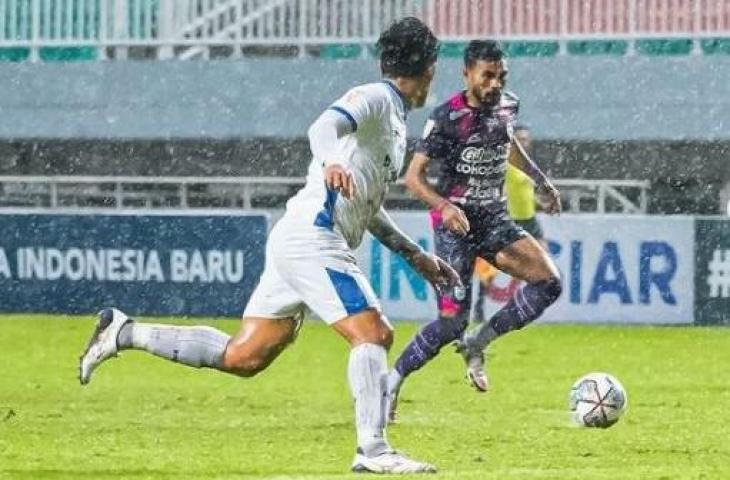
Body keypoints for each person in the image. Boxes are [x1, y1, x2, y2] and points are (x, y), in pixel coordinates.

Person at [78, 17, 458, 474]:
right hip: (313, 238)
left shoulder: (394, 120)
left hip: (302, 239)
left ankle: (123, 331)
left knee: (245, 356)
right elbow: (323, 126)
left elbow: (367, 202)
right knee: (373, 333)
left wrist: (413, 254)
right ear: (431, 68)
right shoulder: (376, 97)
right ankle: (372, 451)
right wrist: (334, 157)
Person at [387, 40, 562, 422]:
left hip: (494, 220)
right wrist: (445, 206)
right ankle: (392, 381)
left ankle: (479, 342)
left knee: (549, 283)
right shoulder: (447, 117)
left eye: (501, 75)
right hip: (455, 228)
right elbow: (413, 178)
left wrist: (539, 179)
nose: (495, 83)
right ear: (467, 74)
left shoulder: (508, 105)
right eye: (487, 75)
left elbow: (507, 142)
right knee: (451, 322)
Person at [472, 124, 548, 323]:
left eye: (526, 139)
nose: (523, 142)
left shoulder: (527, 164)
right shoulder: (503, 163)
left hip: (529, 218)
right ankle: (480, 305)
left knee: (543, 262)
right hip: (511, 218)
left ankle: (527, 303)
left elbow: (527, 194)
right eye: (520, 139)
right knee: (494, 266)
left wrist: (542, 204)